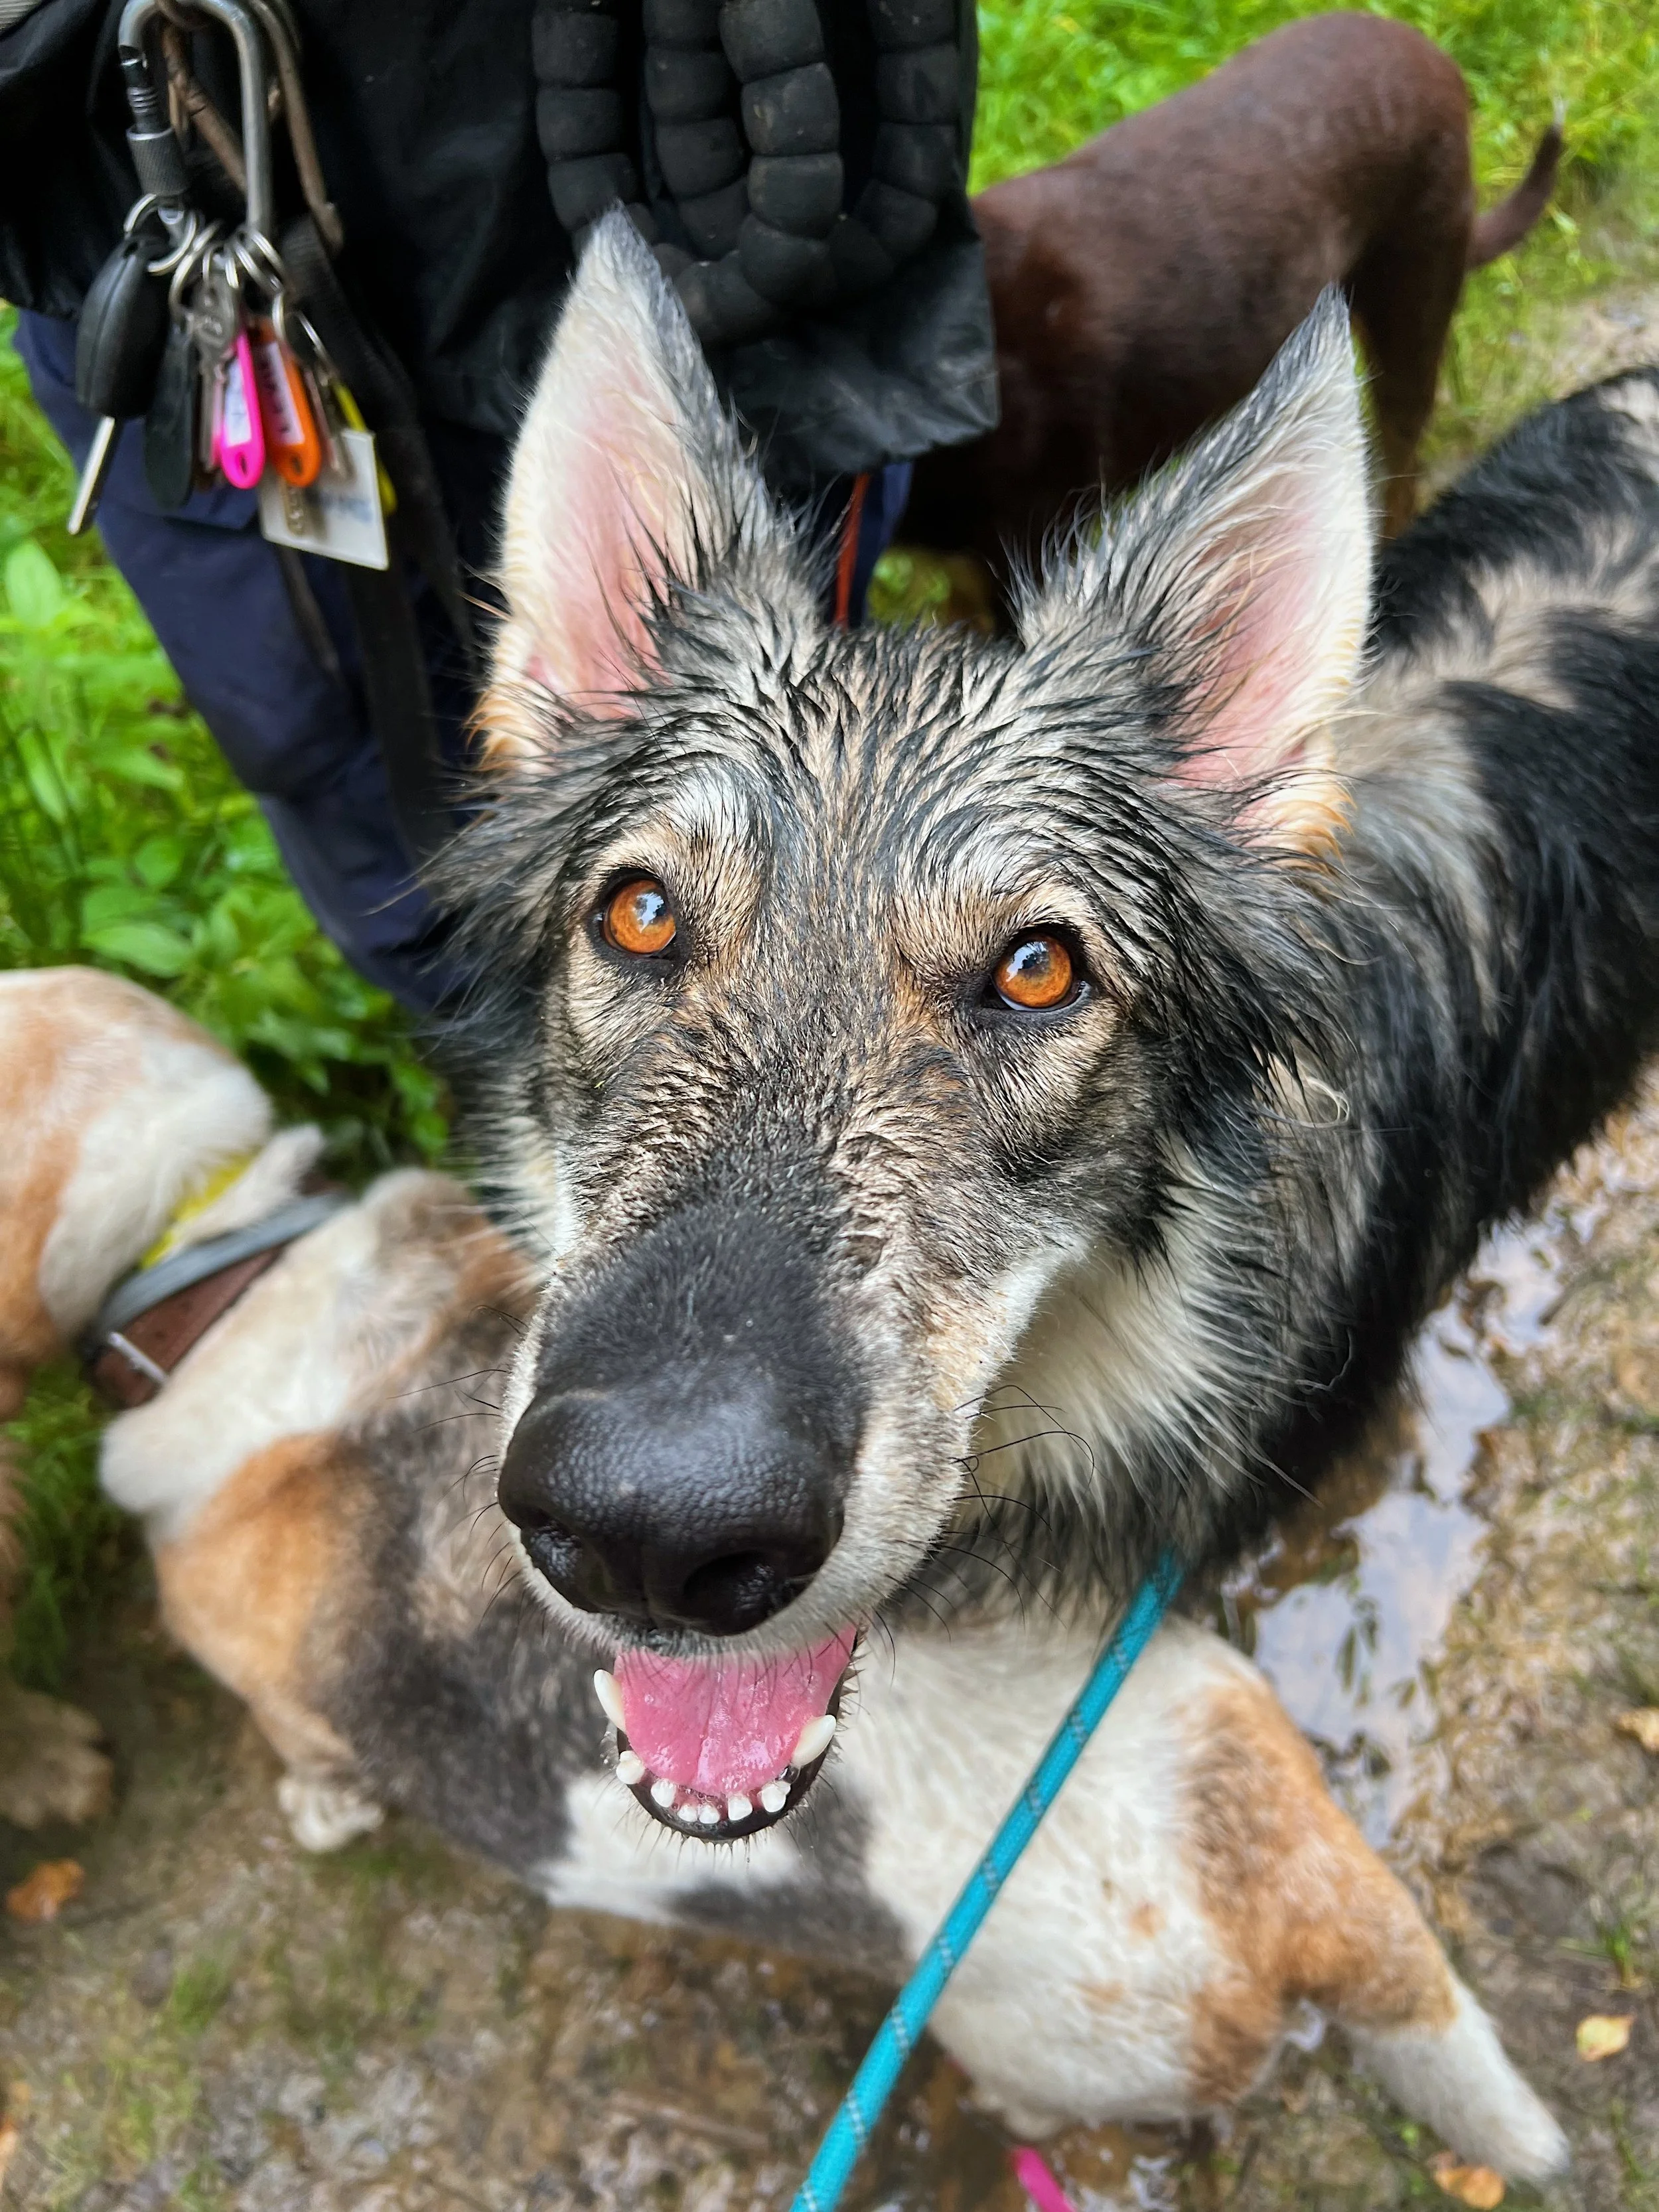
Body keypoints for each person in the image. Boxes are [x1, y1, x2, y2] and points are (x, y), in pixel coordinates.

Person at [1, 0, 996, 1010]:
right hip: (154, 184)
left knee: (800, 819)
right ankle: (480, 1061)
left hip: (721, 167)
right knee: (328, 773)